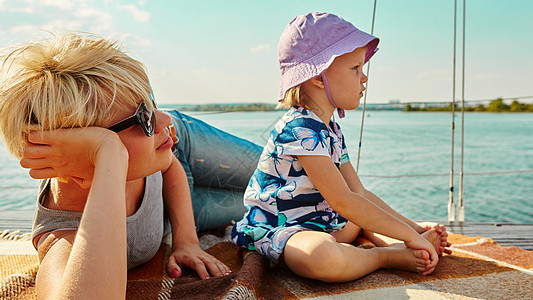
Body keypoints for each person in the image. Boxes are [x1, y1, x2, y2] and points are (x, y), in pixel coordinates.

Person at [0, 33, 261, 298]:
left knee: (287, 172)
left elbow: (170, 165)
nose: (164, 118)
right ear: (85, 150)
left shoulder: (160, 132)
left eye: (150, 102)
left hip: (174, 151)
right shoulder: (64, 235)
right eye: (143, 117)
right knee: (278, 201)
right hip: (168, 187)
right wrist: (109, 152)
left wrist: (186, 241)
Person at [231, 12, 452, 282]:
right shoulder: (299, 128)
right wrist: (407, 237)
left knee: (360, 215)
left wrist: (414, 230)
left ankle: (391, 244)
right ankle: (385, 256)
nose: (364, 78)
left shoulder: (331, 129)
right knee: (321, 257)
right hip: (284, 229)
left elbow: (358, 192)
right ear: (317, 76)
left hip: (325, 223)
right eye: (355, 68)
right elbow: (343, 199)